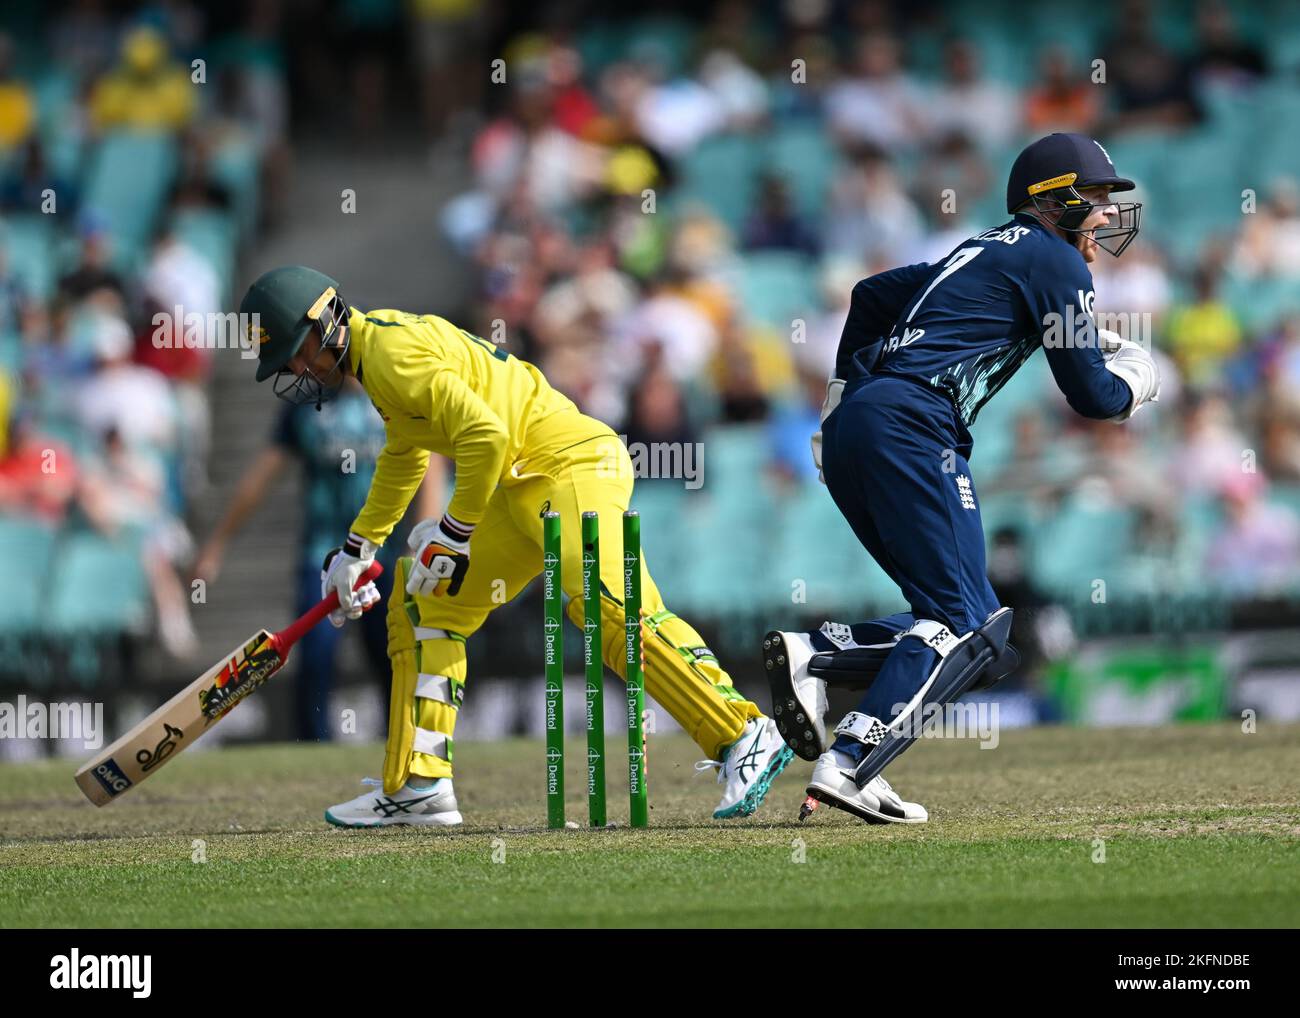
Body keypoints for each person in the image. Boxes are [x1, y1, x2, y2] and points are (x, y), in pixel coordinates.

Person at [239, 266, 793, 827]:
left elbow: (486, 435)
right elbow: (406, 453)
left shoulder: (389, 353)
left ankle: (742, 733)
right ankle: (419, 784)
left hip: (570, 463)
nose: (294, 368)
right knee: (427, 604)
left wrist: (453, 534)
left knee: (607, 606)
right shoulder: (378, 353)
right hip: (520, 483)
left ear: (322, 323)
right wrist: (357, 548)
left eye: (294, 351)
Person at [764, 133, 1160, 824]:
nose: (1105, 215)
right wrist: (1138, 379)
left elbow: (870, 295)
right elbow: (1092, 396)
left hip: (865, 422)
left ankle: (819, 656)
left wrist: (838, 398)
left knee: (983, 636)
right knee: (967, 624)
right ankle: (852, 759)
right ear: (1052, 199)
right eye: (1095, 198)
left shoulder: (978, 249)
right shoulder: (1053, 261)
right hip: (915, 428)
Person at [193, 375, 445, 741]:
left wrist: (422, 540)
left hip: (385, 553)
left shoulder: (395, 395)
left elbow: (429, 465)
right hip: (325, 553)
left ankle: (406, 746)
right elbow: (260, 479)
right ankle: (314, 743)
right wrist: (217, 543)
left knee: (394, 654)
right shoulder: (306, 405)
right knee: (316, 654)